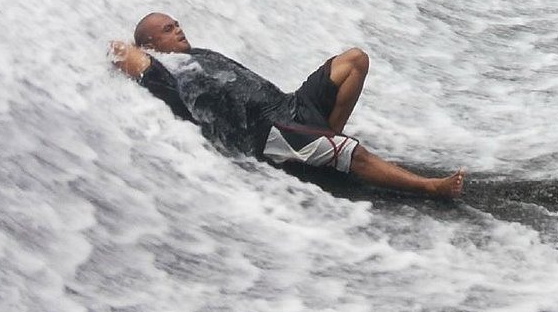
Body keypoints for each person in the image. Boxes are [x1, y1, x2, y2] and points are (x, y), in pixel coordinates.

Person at [109, 13, 464, 199]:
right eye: (168, 29)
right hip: (271, 135)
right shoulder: (167, 74)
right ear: (151, 45)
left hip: (290, 104)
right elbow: (121, 52)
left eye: (177, 24)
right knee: (352, 152)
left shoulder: (193, 56)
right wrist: (141, 49)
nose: (179, 30)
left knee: (354, 60)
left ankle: (325, 142)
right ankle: (430, 187)